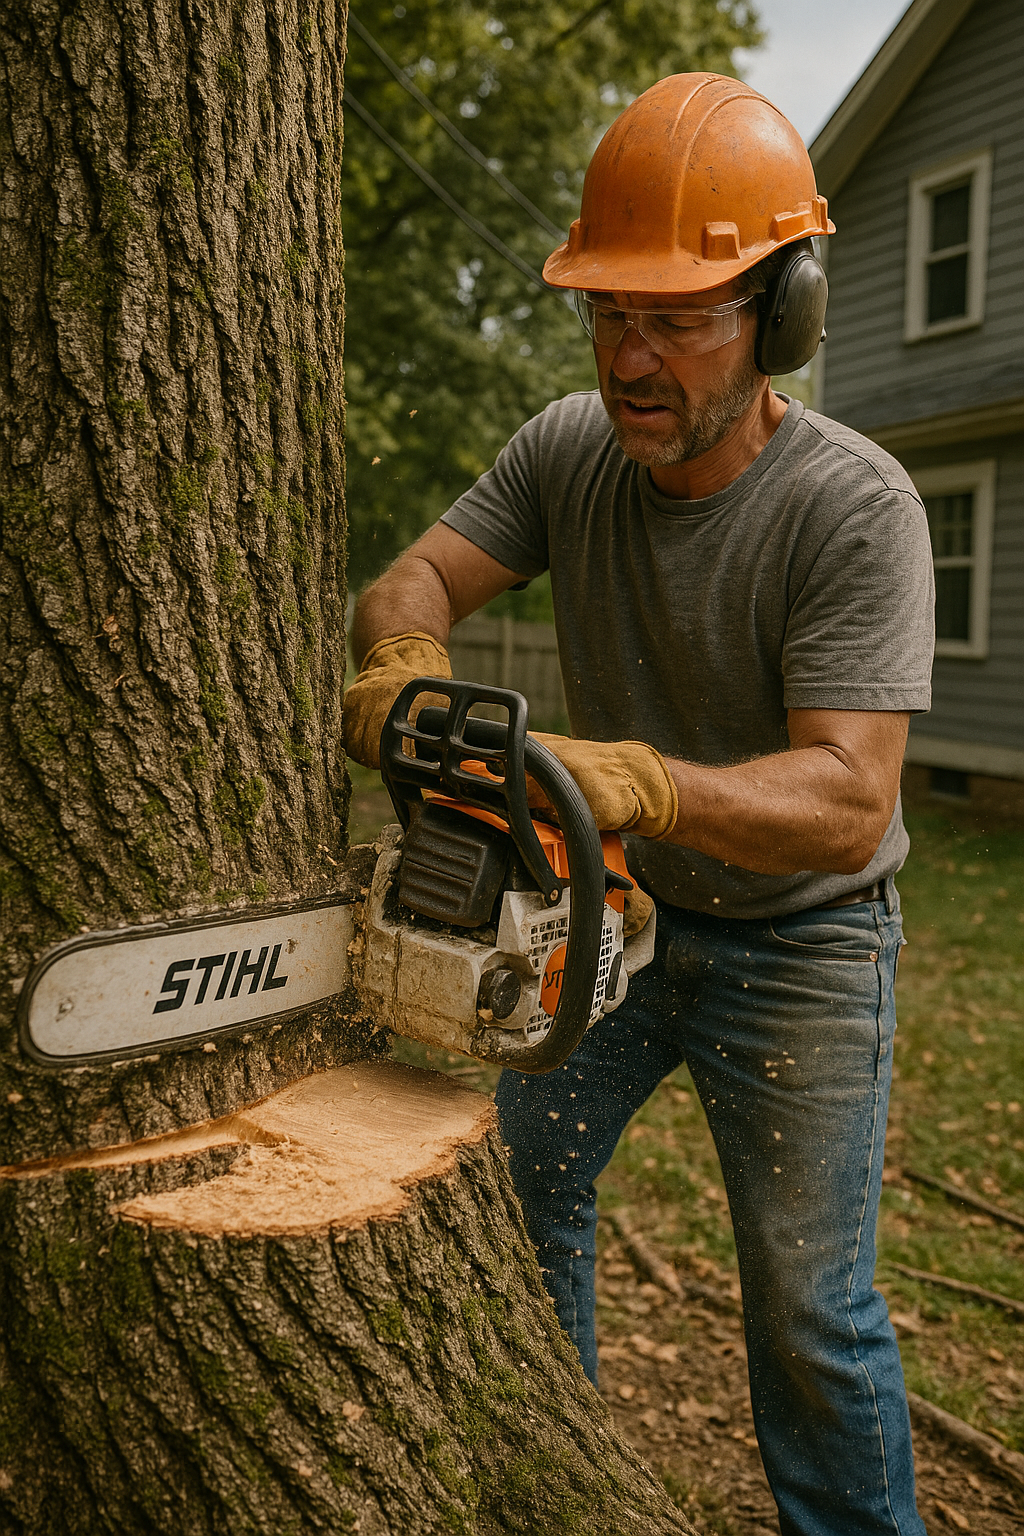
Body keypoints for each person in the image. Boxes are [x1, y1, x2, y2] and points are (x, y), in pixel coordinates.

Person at [345, 72, 934, 1536]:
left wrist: (649, 782)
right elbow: (413, 578)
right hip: (620, 914)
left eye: (678, 318)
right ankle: (561, 1490)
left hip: (805, 943)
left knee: (811, 1306)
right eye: (611, 312)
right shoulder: (566, 451)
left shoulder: (854, 508)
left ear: (779, 314)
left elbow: (851, 804)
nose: (632, 357)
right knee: (516, 1188)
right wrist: (402, 657)